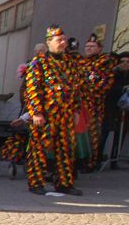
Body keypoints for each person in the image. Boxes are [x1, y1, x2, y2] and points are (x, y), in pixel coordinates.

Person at [22, 25, 85, 196]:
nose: (63, 43)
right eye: (59, 40)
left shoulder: (71, 63)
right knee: (39, 149)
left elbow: (77, 88)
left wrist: (76, 110)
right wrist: (36, 112)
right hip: (46, 114)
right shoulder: (39, 63)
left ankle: (64, 183)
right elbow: (32, 89)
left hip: (66, 114)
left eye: (64, 39)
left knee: (66, 149)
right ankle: (36, 182)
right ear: (49, 42)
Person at [79, 34, 117, 171]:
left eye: (92, 46)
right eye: (87, 46)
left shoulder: (105, 63)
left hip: (93, 106)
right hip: (78, 105)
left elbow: (105, 85)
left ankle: (90, 163)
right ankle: (78, 161)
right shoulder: (81, 63)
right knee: (79, 134)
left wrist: (85, 88)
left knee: (92, 135)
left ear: (99, 48)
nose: (88, 49)